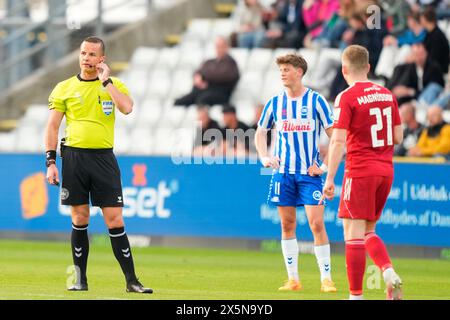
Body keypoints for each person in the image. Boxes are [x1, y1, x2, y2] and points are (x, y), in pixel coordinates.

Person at [44, 36, 152, 294]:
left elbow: (126, 108)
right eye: (83, 53)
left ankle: (132, 281)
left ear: (101, 58)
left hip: (103, 158)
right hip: (74, 158)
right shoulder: (64, 88)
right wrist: (50, 161)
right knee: (79, 217)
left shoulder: (114, 85)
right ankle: (80, 280)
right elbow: (52, 126)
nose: (86, 58)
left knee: (114, 219)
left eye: (92, 54)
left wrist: (106, 82)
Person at [322, 45, 404, 300]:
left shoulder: (346, 97)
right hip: (385, 170)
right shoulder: (387, 94)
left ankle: (356, 296)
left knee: (352, 235)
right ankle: (388, 273)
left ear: (344, 69)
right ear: (368, 67)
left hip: (359, 170)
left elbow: (337, 142)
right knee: (368, 229)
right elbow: (398, 136)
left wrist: (329, 178)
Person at [255, 53, 337, 293]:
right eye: (280, 69)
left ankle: (326, 279)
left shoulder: (316, 101)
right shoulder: (275, 102)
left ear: (299, 72)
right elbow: (260, 132)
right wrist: (264, 157)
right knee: (287, 224)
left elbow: (336, 138)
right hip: (283, 174)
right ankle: (293, 279)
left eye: (287, 68)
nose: (282, 72)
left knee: (316, 223)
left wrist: (322, 167)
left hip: (309, 176)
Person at [174, 36, 240, 107]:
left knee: (202, 100)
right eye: (217, 46)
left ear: (227, 47)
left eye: (221, 46)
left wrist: (204, 78)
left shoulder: (230, 62)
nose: (219, 49)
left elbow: (221, 76)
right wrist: (197, 77)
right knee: (180, 102)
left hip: (220, 93)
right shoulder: (210, 62)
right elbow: (199, 71)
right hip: (202, 90)